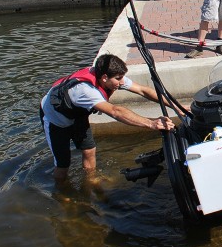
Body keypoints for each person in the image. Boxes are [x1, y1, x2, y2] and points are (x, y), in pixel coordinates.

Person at [40, 54, 179, 183]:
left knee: (89, 150)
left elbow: (143, 90)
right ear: (105, 77)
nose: (122, 81)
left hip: (77, 116)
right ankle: (61, 192)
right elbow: (115, 111)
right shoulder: (86, 91)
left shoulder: (109, 77)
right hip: (55, 121)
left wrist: (177, 107)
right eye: (118, 78)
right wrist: (151, 123)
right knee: (63, 164)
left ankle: (91, 181)